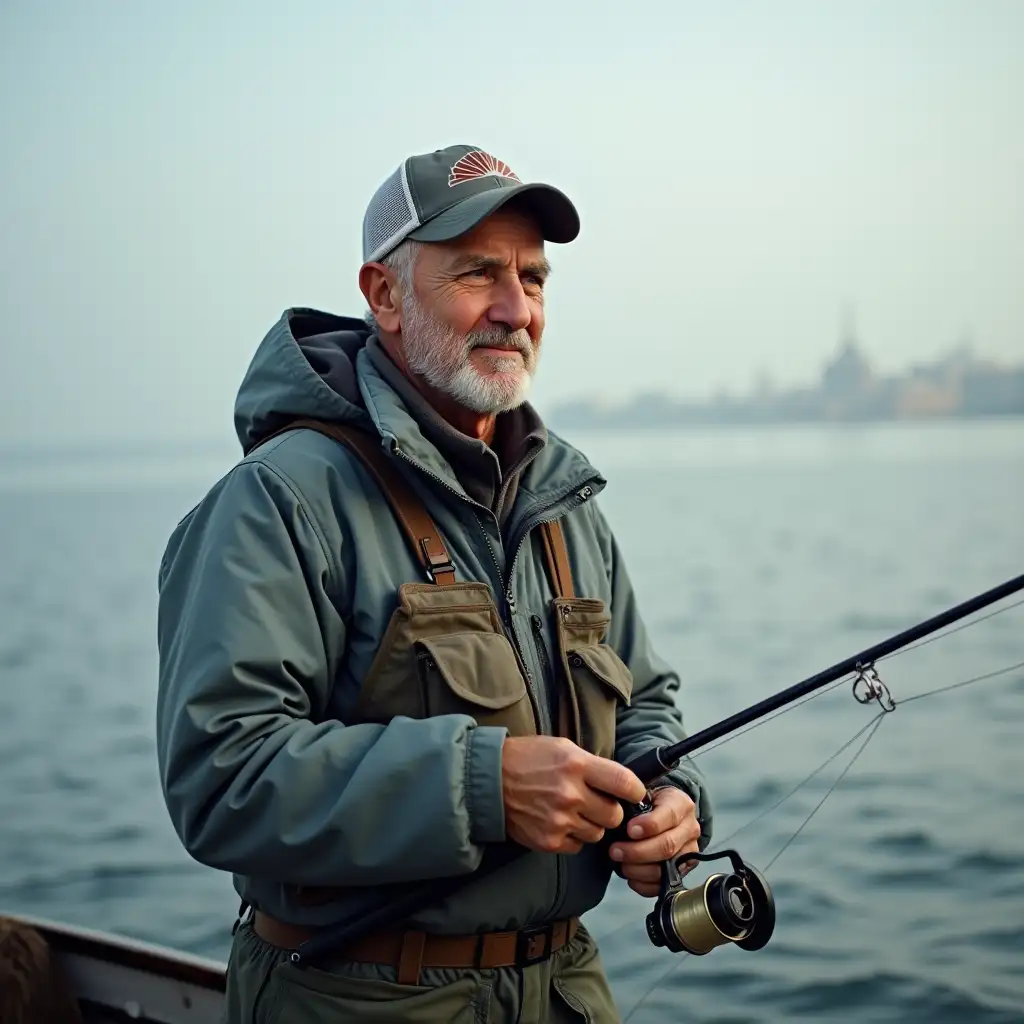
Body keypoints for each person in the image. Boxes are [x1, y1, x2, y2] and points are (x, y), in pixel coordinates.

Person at [156, 144, 713, 1023]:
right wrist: (484, 784)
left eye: (534, 278)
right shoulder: (279, 499)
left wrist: (673, 806)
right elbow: (221, 779)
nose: (514, 308)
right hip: (355, 999)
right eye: (477, 273)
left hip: (569, 989)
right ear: (383, 294)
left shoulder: (566, 502)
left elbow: (647, 703)